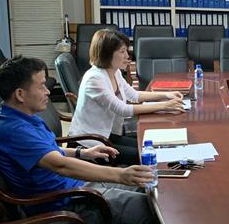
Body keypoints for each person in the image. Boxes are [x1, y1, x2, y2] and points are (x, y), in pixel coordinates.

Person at [0, 56, 174, 224]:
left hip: (72, 190)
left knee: (146, 186)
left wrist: (82, 153)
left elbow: (49, 151)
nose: (48, 91)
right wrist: (119, 175)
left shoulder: (17, 117)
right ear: (20, 94)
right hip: (63, 205)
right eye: (41, 85)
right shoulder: (15, 130)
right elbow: (59, 165)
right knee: (154, 213)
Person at [68, 29, 185, 165]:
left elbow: (134, 95)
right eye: (122, 52)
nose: (127, 56)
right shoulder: (94, 79)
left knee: (152, 147)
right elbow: (123, 109)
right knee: (146, 155)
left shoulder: (114, 72)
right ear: (107, 54)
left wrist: (166, 95)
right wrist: (165, 106)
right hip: (88, 142)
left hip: (105, 134)